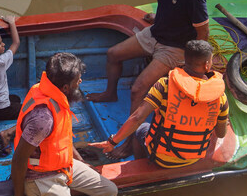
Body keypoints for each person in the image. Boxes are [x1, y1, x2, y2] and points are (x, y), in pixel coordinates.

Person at [87, 0, 210, 116]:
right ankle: (110, 93)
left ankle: (129, 139)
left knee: (138, 89)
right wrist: (157, 17)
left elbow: (203, 32)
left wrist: (194, 61)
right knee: (113, 54)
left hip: (174, 48)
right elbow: (169, 5)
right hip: (155, 33)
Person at [12, 52, 117, 196]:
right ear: (66, 87)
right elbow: (18, 159)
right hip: (39, 178)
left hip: (62, 165)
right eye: (78, 80)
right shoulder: (43, 119)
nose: (81, 82)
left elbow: (63, 137)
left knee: (109, 191)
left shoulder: (51, 93)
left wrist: (80, 161)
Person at [89, 40, 229, 168]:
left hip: (161, 157)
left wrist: (112, 142)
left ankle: (142, 164)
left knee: (141, 128)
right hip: (192, 158)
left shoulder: (165, 85)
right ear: (207, 65)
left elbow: (137, 118)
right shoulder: (220, 97)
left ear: (184, 60)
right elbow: (221, 133)